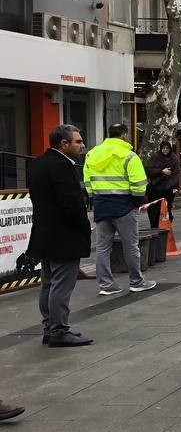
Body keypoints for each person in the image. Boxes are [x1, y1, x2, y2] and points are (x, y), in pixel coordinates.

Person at [27, 124, 93, 348]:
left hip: (44, 234)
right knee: (61, 286)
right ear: (63, 144)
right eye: (77, 142)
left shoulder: (38, 163)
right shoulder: (62, 166)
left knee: (48, 283)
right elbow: (72, 205)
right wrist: (84, 229)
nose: (82, 145)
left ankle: (50, 328)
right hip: (64, 237)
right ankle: (58, 330)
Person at [83, 123, 156, 297]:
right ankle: (137, 282)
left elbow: (87, 181)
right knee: (130, 245)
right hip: (124, 206)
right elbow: (139, 185)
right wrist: (135, 202)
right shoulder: (129, 156)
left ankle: (106, 285)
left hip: (101, 204)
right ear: (124, 135)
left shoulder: (92, 154)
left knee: (102, 247)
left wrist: (96, 196)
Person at [144, 140, 181, 230]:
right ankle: (154, 226)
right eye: (163, 148)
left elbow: (176, 173)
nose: (165, 150)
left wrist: (175, 187)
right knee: (154, 210)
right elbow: (150, 170)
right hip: (155, 188)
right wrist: (161, 171)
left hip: (168, 189)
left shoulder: (174, 158)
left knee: (167, 209)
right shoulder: (155, 157)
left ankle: (165, 227)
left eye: (167, 148)